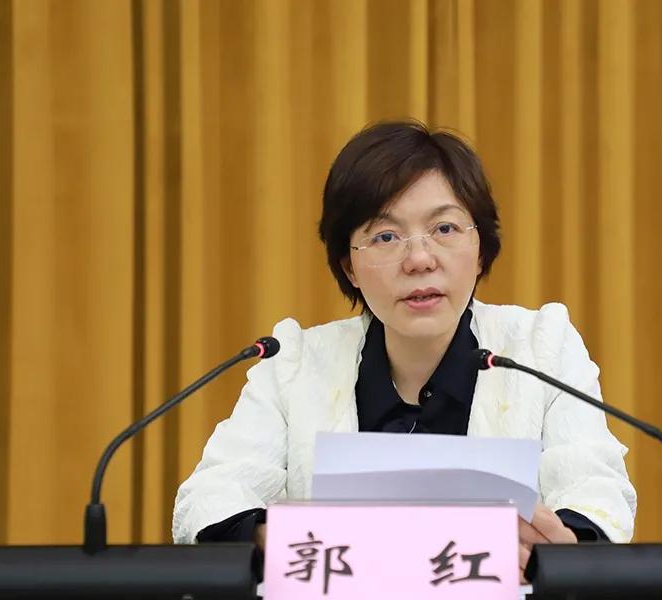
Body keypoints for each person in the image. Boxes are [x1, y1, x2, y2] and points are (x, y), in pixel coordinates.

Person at [172, 120, 637, 581]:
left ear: (480, 250)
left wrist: (563, 549)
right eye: (385, 236)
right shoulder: (294, 362)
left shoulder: (540, 347)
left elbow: (596, 488)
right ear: (349, 267)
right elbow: (210, 497)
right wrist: (276, 539)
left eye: (445, 228)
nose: (419, 259)